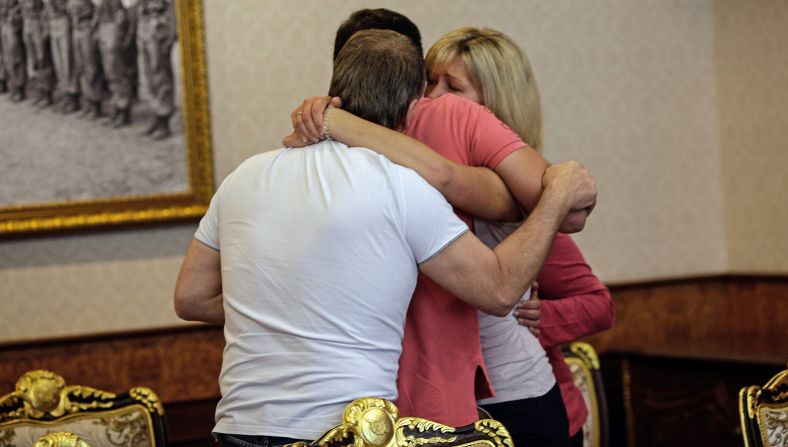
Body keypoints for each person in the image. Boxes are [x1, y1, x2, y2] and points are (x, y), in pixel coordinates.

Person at [175, 29, 596, 447]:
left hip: (240, 424)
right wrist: (557, 195)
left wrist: (287, 311)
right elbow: (500, 289)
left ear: (334, 90)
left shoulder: (243, 177)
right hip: (347, 429)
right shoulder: (402, 186)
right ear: (413, 106)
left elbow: (191, 298)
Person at [291, 20, 611, 446]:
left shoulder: (475, 152)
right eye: (428, 82)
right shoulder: (364, 154)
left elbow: (573, 229)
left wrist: (335, 119)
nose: (434, 98)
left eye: (452, 86)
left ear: (493, 100)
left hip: (513, 392)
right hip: (421, 400)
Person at [136, 0, 176, 140]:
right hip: (144, 25)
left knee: (161, 75)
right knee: (148, 76)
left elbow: (172, 8)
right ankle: (155, 114)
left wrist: (171, 34)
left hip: (159, 26)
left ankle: (164, 120)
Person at [96, 0, 135, 127]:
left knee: (118, 71)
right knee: (109, 72)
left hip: (114, 26)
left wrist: (121, 31)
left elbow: (128, 8)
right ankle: (116, 106)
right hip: (104, 26)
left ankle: (124, 110)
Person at [68, 0, 104, 119]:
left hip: (86, 27)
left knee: (91, 67)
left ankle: (95, 104)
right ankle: (88, 102)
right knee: (80, 66)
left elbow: (98, 8)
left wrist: (93, 26)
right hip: (76, 28)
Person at [46, 0, 79, 113]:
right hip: (52, 19)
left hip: (63, 18)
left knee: (67, 60)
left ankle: (72, 96)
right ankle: (64, 93)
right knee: (58, 61)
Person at [21, 0, 53, 107]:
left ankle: (47, 93)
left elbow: (46, 6)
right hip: (28, 22)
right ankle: (39, 90)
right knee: (33, 59)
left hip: (38, 21)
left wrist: (46, 27)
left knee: (42, 58)